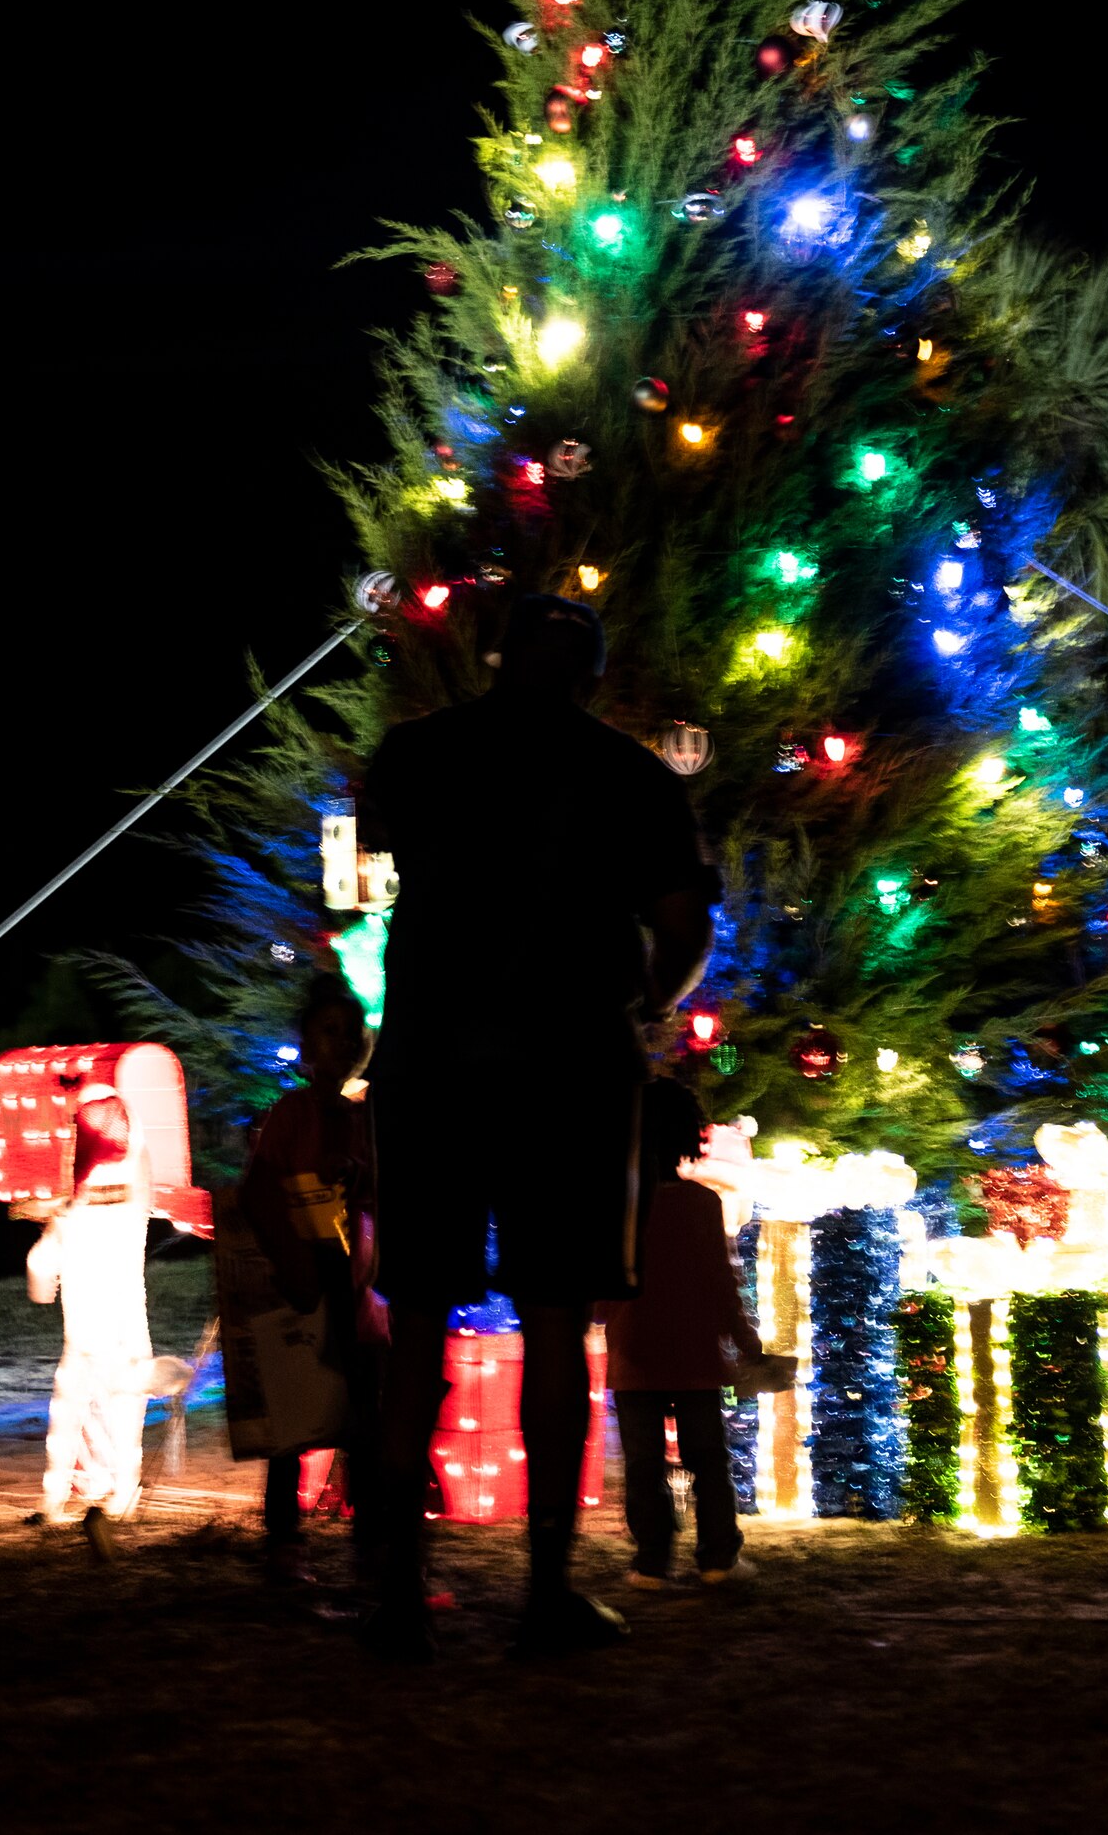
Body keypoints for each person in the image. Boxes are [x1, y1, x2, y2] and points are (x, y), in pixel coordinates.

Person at [363, 593, 717, 1658]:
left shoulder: (416, 754)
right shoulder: (632, 776)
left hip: (429, 1059)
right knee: (558, 1318)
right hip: (567, 1064)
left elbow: (377, 851)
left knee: (417, 1321)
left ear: (497, 654)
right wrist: (647, 1000)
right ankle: (546, 1588)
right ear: (587, 673)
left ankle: (393, 1590)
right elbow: (681, 922)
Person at [236, 973, 386, 1583]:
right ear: (306, 1042)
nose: (344, 1044)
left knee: (361, 1421)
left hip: (353, 1289)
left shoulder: (362, 1117)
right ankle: (284, 1546)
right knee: (294, 1425)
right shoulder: (293, 1114)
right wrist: (293, 1267)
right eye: (331, 1033)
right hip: (304, 1285)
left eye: (351, 1034)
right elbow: (259, 1193)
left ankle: (371, 1547)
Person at [604, 1078, 761, 1589]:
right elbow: (722, 1281)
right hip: (694, 1354)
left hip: (634, 1353)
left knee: (643, 1462)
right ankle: (717, 1558)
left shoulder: (622, 1205)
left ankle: (652, 1561)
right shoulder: (700, 1204)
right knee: (708, 1458)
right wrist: (744, 1337)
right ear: (690, 1137)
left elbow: (605, 1288)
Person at [27, 1080, 159, 1552]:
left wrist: (44, 1280)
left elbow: (40, 1266)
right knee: (125, 1420)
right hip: (125, 1332)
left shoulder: (71, 1206)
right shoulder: (134, 1197)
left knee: (67, 1418)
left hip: (83, 1334)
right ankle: (122, 1496)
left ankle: (54, 1500)